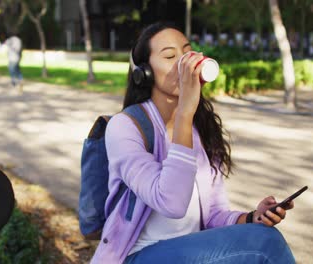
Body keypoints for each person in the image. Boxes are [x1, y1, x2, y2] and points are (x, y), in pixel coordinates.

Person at [90, 22, 296, 264]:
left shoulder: (200, 129)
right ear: (144, 72)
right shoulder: (125, 127)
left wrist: (252, 218)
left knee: (263, 233)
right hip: (138, 256)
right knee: (266, 245)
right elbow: (172, 203)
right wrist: (185, 114)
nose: (183, 62)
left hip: (192, 253)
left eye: (186, 52)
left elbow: (214, 216)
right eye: (169, 56)